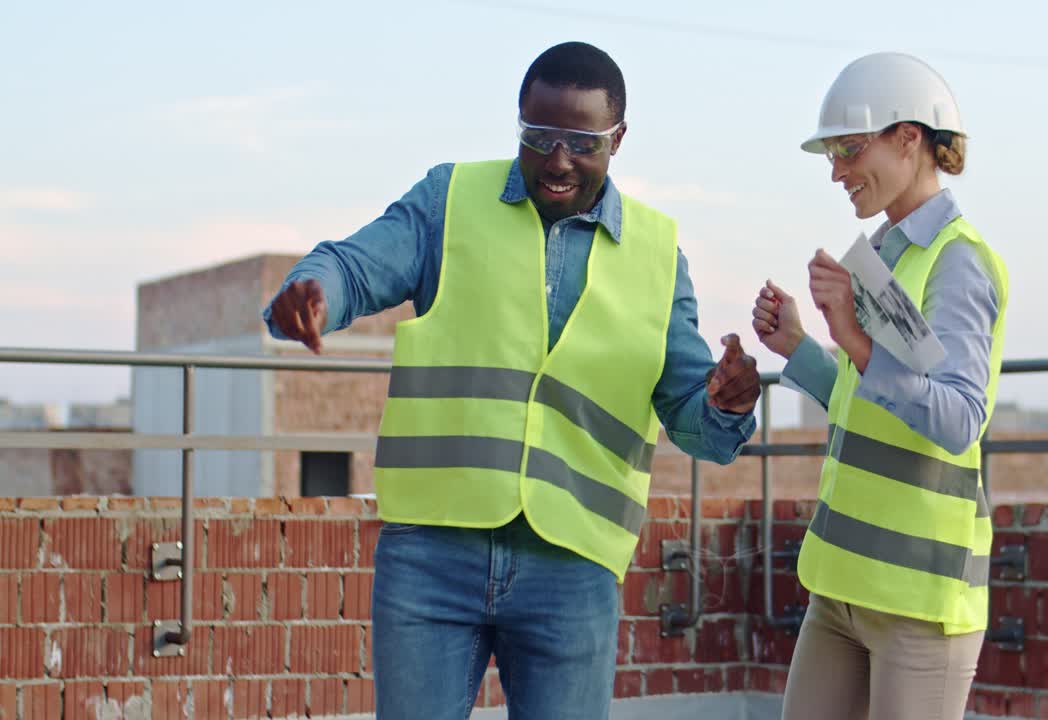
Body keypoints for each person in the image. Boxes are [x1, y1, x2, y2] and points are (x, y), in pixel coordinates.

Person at [264, 41, 761, 720]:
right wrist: (310, 292)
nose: (558, 159)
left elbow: (690, 413)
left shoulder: (656, 255)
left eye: (582, 142)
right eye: (539, 136)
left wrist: (724, 404)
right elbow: (351, 265)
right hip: (432, 555)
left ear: (618, 138)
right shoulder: (450, 200)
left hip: (573, 568)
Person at [752, 52, 1009, 720]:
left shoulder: (959, 264)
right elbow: (857, 397)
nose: (836, 171)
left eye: (848, 148)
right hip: (840, 583)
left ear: (909, 138)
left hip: (919, 599)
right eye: (832, 154)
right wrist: (799, 347)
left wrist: (856, 338)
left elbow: (958, 420)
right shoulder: (887, 252)